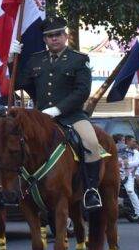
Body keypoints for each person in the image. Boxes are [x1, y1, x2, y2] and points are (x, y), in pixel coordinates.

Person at [11, 15, 104, 211]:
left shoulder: (79, 60)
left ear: (66, 36)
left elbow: (82, 91)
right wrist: (12, 61)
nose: (54, 38)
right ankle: (18, 188)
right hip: (41, 118)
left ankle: (91, 191)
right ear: (44, 39)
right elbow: (19, 83)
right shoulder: (36, 60)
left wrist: (59, 109)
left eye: (58, 34)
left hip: (72, 116)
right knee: (15, 144)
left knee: (91, 143)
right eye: (50, 36)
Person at [120, 135, 139, 223]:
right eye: (133, 141)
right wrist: (123, 164)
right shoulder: (121, 150)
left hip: (129, 174)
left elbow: (137, 163)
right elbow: (117, 161)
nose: (135, 143)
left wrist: (125, 164)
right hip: (118, 174)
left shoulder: (136, 152)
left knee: (130, 191)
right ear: (128, 141)